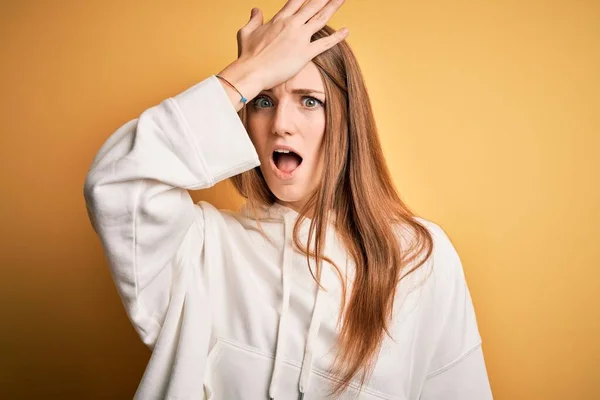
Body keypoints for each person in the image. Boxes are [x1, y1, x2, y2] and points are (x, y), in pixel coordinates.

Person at [83, 0, 493, 399]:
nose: (280, 124)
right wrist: (247, 73)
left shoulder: (419, 258)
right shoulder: (203, 247)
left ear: (346, 123)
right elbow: (116, 185)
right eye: (263, 101)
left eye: (309, 101)